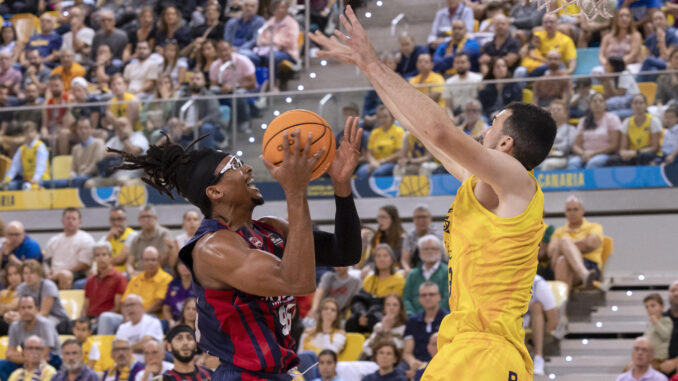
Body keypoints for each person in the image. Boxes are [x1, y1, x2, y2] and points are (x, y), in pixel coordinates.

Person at [311, 7, 557, 378]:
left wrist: (375, 64)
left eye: (493, 124)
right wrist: (367, 66)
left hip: (486, 351)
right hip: (466, 347)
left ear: (506, 143)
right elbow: (424, 131)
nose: (484, 129)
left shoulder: (517, 178)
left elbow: (441, 131)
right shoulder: (486, 186)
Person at [111, 115, 363, 379]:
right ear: (215, 192)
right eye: (235, 165)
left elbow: (346, 253)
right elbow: (297, 282)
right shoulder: (212, 249)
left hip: (278, 372)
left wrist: (341, 184)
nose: (247, 169)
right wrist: (295, 192)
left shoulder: (271, 228)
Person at [547, 195, 603, 290]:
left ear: (582, 210)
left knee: (563, 258)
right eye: (569, 210)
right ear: (565, 212)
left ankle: (562, 303)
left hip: (589, 265)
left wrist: (565, 246)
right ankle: (584, 274)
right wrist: (572, 246)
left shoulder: (594, 227)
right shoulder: (559, 231)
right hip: (577, 271)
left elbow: (590, 244)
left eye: (575, 209)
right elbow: (551, 252)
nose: (572, 213)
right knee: (562, 257)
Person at [0, 296, 61, 381]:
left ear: (36, 309)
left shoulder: (45, 324)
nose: (26, 311)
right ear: (18, 310)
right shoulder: (15, 326)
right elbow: (9, 354)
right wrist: (28, 357)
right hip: (27, 360)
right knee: (1, 364)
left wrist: (27, 355)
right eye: (23, 308)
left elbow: (45, 355)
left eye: (29, 307)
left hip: (52, 359)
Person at [169, 70, 225, 150]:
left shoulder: (209, 96)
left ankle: (205, 157)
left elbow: (214, 114)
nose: (194, 81)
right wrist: (178, 123)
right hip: (184, 128)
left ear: (204, 81)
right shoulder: (183, 96)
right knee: (165, 130)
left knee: (207, 128)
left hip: (202, 128)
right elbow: (174, 112)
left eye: (198, 79)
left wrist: (197, 124)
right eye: (192, 79)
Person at [44, 208, 95, 289]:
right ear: (62, 221)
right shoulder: (53, 240)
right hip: (54, 274)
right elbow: (46, 262)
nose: (70, 221)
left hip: (77, 274)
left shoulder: (86, 239)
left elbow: (84, 265)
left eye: (74, 219)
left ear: (80, 223)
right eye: (68, 218)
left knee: (64, 275)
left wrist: (59, 274)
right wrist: (48, 275)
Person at [568, 92, 622, 169]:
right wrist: (583, 153)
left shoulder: (612, 118)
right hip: (585, 153)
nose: (597, 103)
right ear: (590, 105)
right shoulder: (583, 121)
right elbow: (576, 145)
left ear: (605, 104)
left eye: (600, 101)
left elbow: (614, 145)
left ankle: (588, 181)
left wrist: (593, 153)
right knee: (572, 163)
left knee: (593, 163)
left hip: (605, 154)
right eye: (594, 101)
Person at [401, 282, 446, 371]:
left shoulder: (448, 319)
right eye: (423, 295)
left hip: (442, 363)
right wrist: (413, 363)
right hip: (417, 363)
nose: (427, 298)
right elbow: (407, 353)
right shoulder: (412, 321)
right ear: (419, 299)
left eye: (431, 294)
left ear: (439, 297)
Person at [608, 94, 662, 166]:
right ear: (632, 106)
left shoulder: (653, 121)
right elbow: (622, 148)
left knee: (643, 156)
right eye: (635, 103)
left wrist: (637, 153)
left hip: (648, 153)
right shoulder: (627, 122)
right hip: (633, 154)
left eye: (641, 103)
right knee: (613, 160)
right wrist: (624, 153)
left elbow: (655, 147)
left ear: (646, 105)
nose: (638, 106)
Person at [402, 235, 449, 316]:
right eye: (426, 249)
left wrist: (432, 315)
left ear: (440, 252)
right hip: (415, 321)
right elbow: (406, 299)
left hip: (441, 319)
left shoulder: (447, 272)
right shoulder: (413, 274)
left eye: (433, 248)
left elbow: (447, 298)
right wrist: (413, 317)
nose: (429, 251)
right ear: (419, 252)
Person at [16, 261, 69, 332]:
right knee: (14, 324)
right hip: (33, 316)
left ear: (39, 274)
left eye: (32, 273)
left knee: (42, 324)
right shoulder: (22, 287)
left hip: (56, 317)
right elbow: (20, 308)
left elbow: (44, 312)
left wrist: (21, 318)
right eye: (25, 273)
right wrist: (13, 315)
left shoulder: (48, 286)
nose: (28, 276)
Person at [356, 106, 404, 180]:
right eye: (380, 117)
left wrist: (381, 162)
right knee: (361, 172)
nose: (382, 120)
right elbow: (369, 153)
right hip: (375, 162)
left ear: (392, 117)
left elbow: (399, 153)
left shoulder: (399, 131)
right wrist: (373, 162)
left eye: (385, 117)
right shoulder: (374, 133)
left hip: (391, 163)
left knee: (378, 172)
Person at [123, 247, 173, 317]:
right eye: (147, 260)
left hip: (152, 316)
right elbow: (124, 302)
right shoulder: (135, 279)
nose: (150, 263)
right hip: (132, 316)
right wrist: (127, 317)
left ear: (159, 261)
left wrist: (139, 316)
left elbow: (158, 305)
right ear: (142, 261)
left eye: (153, 260)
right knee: (106, 317)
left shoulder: (166, 279)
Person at [110, 295, 163, 361]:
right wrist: (126, 349)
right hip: (126, 363)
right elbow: (116, 348)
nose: (129, 308)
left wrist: (124, 349)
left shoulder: (152, 322)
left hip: (146, 362)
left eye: (132, 304)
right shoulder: (122, 327)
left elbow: (146, 346)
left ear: (141, 306)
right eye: (126, 306)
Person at [82, 242, 127, 320]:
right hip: (91, 320)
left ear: (110, 257)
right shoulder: (90, 280)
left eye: (104, 255)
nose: (101, 258)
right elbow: (85, 307)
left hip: (108, 318)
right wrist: (82, 320)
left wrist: (98, 320)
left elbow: (118, 308)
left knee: (105, 319)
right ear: (94, 259)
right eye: (97, 255)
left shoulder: (119, 278)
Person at [1, 122, 49, 190]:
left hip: (40, 179)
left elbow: (40, 166)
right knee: (8, 187)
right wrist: (7, 180)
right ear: (24, 134)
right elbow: (14, 167)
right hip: (26, 180)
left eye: (31, 131)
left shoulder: (40, 147)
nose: (29, 134)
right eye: (27, 132)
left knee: (28, 187)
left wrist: (35, 178)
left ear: (36, 132)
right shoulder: (22, 149)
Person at [526, 274, 558, 376]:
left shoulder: (538, 284)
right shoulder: (504, 281)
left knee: (536, 306)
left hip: (531, 321)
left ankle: (538, 356)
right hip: (513, 320)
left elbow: (553, 320)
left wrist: (533, 340)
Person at [127, 206, 175, 273]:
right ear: (139, 220)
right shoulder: (136, 238)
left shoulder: (164, 234)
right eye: (143, 217)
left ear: (155, 218)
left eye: (148, 216)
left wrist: (143, 274)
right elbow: (129, 263)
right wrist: (131, 273)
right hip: (139, 275)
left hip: (160, 272)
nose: (146, 220)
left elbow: (162, 260)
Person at [362, 294, 408, 359]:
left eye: (395, 305)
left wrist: (387, 331)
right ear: (384, 308)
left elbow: (396, 351)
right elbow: (366, 347)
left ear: (400, 308)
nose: (391, 308)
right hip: (375, 360)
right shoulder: (378, 326)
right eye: (388, 305)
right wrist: (381, 331)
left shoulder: (405, 328)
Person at [67, 117, 105, 188]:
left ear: (91, 129)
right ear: (77, 130)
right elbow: (73, 169)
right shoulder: (75, 148)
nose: (83, 131)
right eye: (80, 128)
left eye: (86, 128)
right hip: (78, 178)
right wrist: (72, 175)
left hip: (93, 177)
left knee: (76, 181)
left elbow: (96, 166)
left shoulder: (99, 143)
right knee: (50, 183)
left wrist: (81, 174)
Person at [539, 100, 577, 170]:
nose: (555, 111)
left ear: (566, 113)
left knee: (548, 164)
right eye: (553, 110)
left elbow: (568, 145)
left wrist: (554, 148)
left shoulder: (570, 129)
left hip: (562, 157)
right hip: (545, 156)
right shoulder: (545, 129)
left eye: (559, 109)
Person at [400, 205, 440, 272]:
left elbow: (440, 257)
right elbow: (405, 259)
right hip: (415, 269)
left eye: (424, 217)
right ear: (413, 220)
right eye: (418, 217)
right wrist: (408, 271)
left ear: (430, 219)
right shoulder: (409, 235)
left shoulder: (437, 235)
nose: (421, 220)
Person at [442, 53, 482, 119]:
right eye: (457, 63)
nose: (460, 65)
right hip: (456, 114)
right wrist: (451, 119)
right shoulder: (449, 82)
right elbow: (448, 106)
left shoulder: (478, 79)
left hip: (475, 114)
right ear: (453, 65)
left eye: (463, 62)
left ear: (469, 64)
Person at [643, 293, 673, 368]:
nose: (649, 309)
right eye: (647, 307)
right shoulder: (649, 324)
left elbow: (666, 335)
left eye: (653, 305)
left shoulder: (666, 320)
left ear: (662, 307)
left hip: (660, 358)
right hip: (648, 357)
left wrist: (656, 322)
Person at [104, 207, 138, 274]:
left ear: (126, 220)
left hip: (126, 274)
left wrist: (103, 262)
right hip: (108, 274)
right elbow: (97, 254)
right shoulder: (108, 236)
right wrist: (108, 237)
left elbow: (120, 259)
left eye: (119, 219)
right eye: (113, 220)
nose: (116, 223)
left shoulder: (132, 235)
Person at [162, 262, 195, 327]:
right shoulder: (173, 283)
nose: (184, 266)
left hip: (194, 322)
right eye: (181, 264)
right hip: (174, 322)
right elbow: (166, 308)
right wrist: (171, 321)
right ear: (176, 267)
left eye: (187, 263)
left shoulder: (199, 284)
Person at [661, 281, 678, 375]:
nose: (676, 293)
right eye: (673, 290)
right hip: (662, 368)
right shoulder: (660, 318)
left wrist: (675, 362)